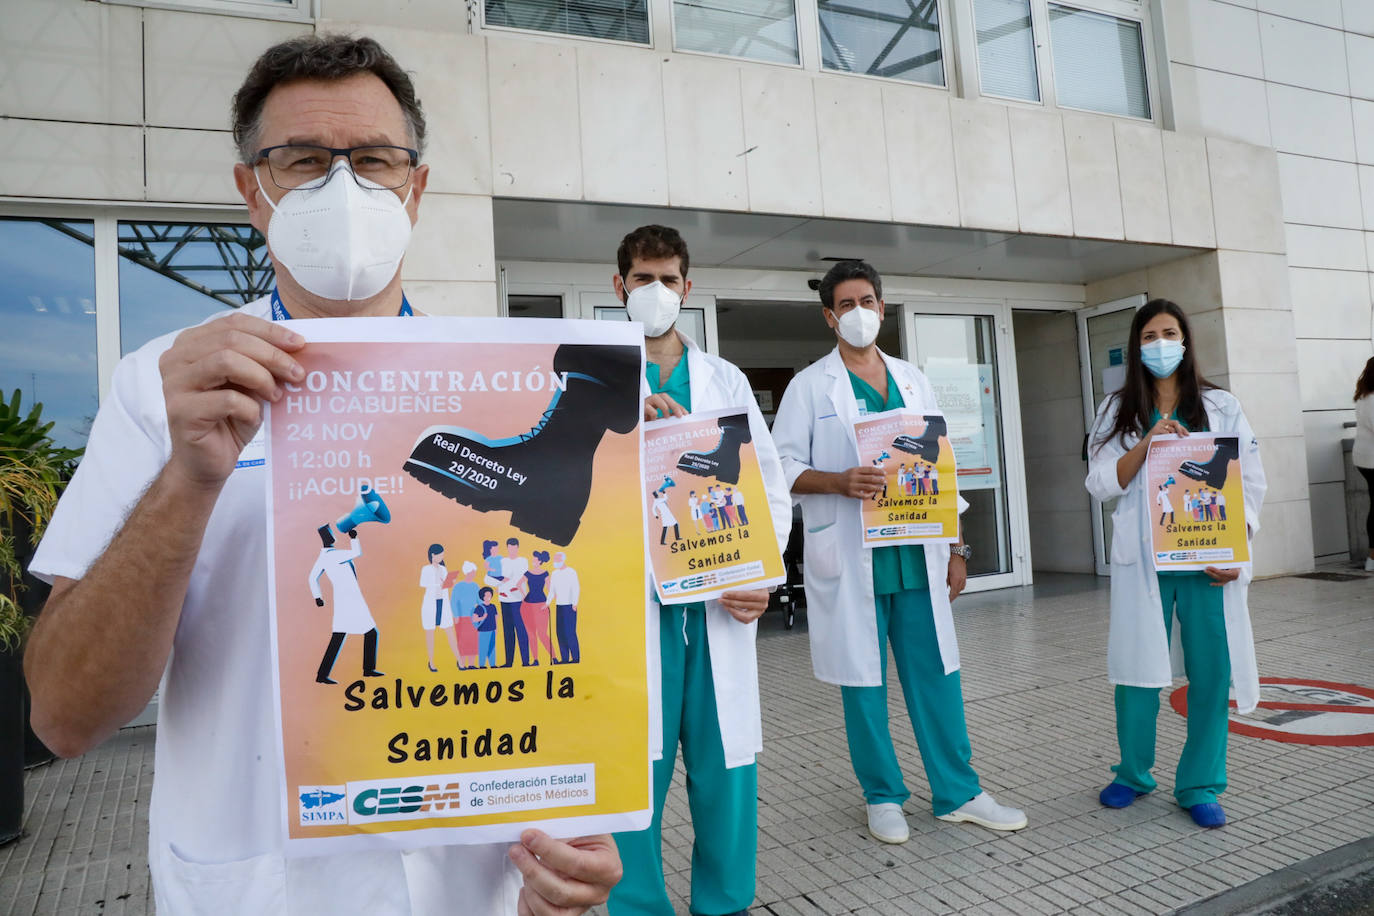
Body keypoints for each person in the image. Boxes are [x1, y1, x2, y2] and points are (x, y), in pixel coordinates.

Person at [22, 35, 620, 913]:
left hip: (475, 890)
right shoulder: (163, 387)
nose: (344, 187)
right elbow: (63, 716)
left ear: (416, 188)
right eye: (302, 161)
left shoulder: (500, 382)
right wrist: (188, 482)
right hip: (261, 887)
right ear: (252, 193)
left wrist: (565, 856)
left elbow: (564, 692)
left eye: (374, 160)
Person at [771, 260, 1027, 845]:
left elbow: (941, 465)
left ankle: (959, 792)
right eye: (846, 304)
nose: (858, 313)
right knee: (864, 686)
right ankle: (882, 795)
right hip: (851, 556)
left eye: (867, 301)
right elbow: (779, 468)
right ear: (829, 316)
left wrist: (957, 547)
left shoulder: (913, 379)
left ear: (882, 308)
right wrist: (838, 481)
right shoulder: (810, 386)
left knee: (937, 677)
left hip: (917, 555)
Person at [613, 225, 793, 916]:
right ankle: (638, 905)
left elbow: (767, 484)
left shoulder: (726, 379)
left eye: (667, 279)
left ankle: (725, 903)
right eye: (642, 278)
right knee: (636, 768)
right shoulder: (595, 380)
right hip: (634, 607)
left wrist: (763, 576)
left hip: (718, 602)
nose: (655, 291)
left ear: (687, 288)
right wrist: (620, 424)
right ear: (620, 286)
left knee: (726, 767)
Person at [1086, 298, 1266, 829]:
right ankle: (1132, 773)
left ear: (1185, 341)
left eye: (1169, 334)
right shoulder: (1116, 410)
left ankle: (1200, 784)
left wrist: (1237, 548)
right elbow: (1099, 482)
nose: (1160, 344)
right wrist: (1146, 444)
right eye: (1149, 336)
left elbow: (1250, 482)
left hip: (1207, 562)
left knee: (1212, 673)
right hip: (1146, 562)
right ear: (1136, 346)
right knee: (1137, 673)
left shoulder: (1221, 406)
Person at [307, 525, 382, 684]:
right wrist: (354, 538)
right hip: (350, 600)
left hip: (345, 599)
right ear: (327, 537)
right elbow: (356, 553)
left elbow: (312, 578)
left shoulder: (324, 557)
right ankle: (367, 669)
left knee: (344, 635)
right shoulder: (333, 556)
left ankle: (323, 675)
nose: (333, 535)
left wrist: (318, 597)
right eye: (330, 532)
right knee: (369, 632)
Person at [418, 543, 457, 672]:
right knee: (430, 633)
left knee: (450, 631)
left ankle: (459, 660)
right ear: (433, 555)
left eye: (443, 555)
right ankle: (431, 662)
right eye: (440, 555)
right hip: (431, 604)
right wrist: (438, 584)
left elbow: (445, 585)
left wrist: (450, 582)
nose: (442, 557)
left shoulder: (443, 569)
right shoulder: (426, 569)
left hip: (443, 603)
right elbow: (423, 583)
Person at [497, 537, 531, 667]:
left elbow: (519, 578)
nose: (512, 550)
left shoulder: (523, 561)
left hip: (518, 600)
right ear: (507, 548)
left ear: (518, 548)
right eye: (510, 548)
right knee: (508, 631)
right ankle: (508, 662)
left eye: (514, 548)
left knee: (521, 630)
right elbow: (499, 578)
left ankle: (525, 661)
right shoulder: (502, 561)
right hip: (504, 599)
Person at [1354, 357, 1374, 571]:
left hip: (1365, 459)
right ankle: (1372, 558)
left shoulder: (1364, 396)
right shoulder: (1372, 399)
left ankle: (1372, 558)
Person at [520, 549, 555, 665]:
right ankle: (536, 660)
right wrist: (524, 596)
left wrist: (547, 603)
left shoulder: (545, 573)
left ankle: (554, 657)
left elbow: (550, 589)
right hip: (528, 606)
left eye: (534, 560)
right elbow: (518, 584)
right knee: (531, 634)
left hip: (541, 606)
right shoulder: (528, 573)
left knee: (542, 634)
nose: (533, 561)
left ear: (540, 561)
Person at [549, 551, 581, 664]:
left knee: (570, 632)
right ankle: (564, 658)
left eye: (557, 560)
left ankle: (575, 658)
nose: (555, 562)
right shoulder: (554, 574)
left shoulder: (571, 572)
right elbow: (552, 590)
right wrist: (547, 603)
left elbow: (576, 588)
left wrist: (574, 603)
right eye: (555, 559)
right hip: (559, 606)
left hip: (570, 606)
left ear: (563, 560)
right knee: (560, 633)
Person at [450, 560, 481, 669]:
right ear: (468, 572)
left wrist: (482, 613)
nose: (474, 574)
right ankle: (461, 663)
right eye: (473, 572)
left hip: (473, 618)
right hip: (461, 618)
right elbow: (453, 602)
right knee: (462, 641)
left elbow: (480, 601)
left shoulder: (475, 586)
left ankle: (471, 664)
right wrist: (456, 616)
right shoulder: (458, 586)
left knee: (473, 640)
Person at [474, 587, 499, 669]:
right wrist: (482, 617)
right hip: (483, 631)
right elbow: (474, 619)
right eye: (486, 595)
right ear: (482, 597)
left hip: (492, 630)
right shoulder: (479, 607)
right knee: (483, 648)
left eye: (490, 595)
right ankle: (482, 665)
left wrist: (496, 629)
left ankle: (493, 664)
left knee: (492, 648)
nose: (488, 597)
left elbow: (496, 618)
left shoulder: (493, 606)